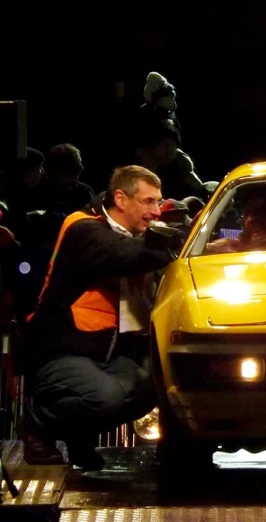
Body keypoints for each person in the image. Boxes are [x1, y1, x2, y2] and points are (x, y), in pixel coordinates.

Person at [23, 166, 174, 470]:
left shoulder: (128, 234)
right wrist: (178, 241)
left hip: (105, 353)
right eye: (148, 202)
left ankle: (79, 437)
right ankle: (38, 426)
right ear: (120, 198)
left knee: (157, 389)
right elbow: (130, 256)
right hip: (61, 352)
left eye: (158, 202)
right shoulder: (83, 228)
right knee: (107, 398)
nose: (156, 211)